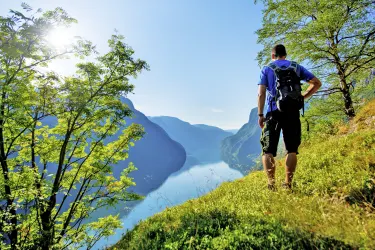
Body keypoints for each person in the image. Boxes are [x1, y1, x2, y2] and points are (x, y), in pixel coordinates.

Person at [257, 44, 321, 190]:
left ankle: (271, 184)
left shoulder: (267, 69)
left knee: (268, 150)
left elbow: (261, 93)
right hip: (292, 111)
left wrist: (260, 115)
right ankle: (288, 184)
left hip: (273, 112)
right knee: (291, 149)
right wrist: (303, 97)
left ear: (273, 56)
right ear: (285, 55)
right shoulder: (296, 67)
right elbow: (317, 83)